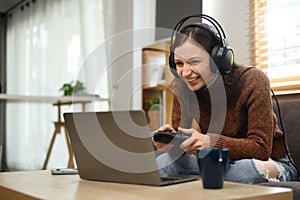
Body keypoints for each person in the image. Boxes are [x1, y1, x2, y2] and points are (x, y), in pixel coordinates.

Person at [153, 14, 299, 184]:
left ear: (218, 58)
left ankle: (207, 177)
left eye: (194, 62)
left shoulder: (253, 80)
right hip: (219, 160)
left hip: (267, 162)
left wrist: (210, 142)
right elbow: (183, 144)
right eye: (179, 64)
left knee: (245, 172)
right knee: (163, 163)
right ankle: (210, 176)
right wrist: (171, 144)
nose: (185, 72)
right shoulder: (182, 86)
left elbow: (260, 149)